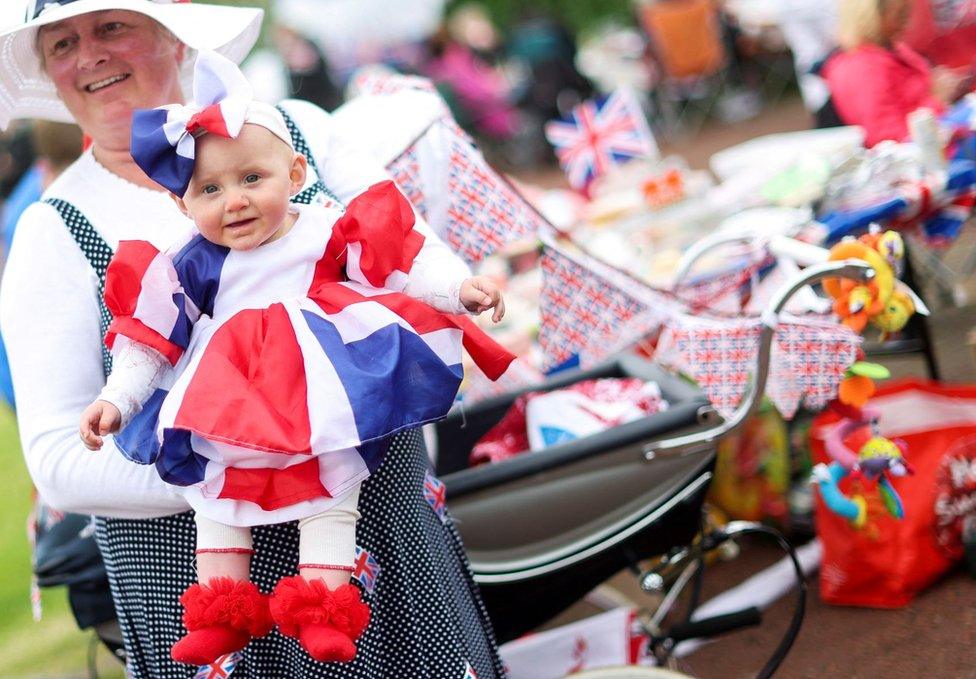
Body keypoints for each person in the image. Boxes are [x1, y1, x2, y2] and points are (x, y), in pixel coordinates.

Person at [0, 1, 509, 676]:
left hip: (387, 537)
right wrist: (236, 466)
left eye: (112, 25)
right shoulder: (54, 229)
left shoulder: (300, 130)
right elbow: (60, 457)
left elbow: (401, 250)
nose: (88, 53)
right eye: (61, 42)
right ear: (48, 71)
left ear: (174, 36)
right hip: (233, 615)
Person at [821, 0, 970, 146]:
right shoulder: (863, 67)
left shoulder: (893, 49)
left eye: (907, 13)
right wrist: (937, 99)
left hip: (942, 138)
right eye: (899, 15)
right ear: (872, 17)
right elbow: (888, 139)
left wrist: (947, 87)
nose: (907, 23)